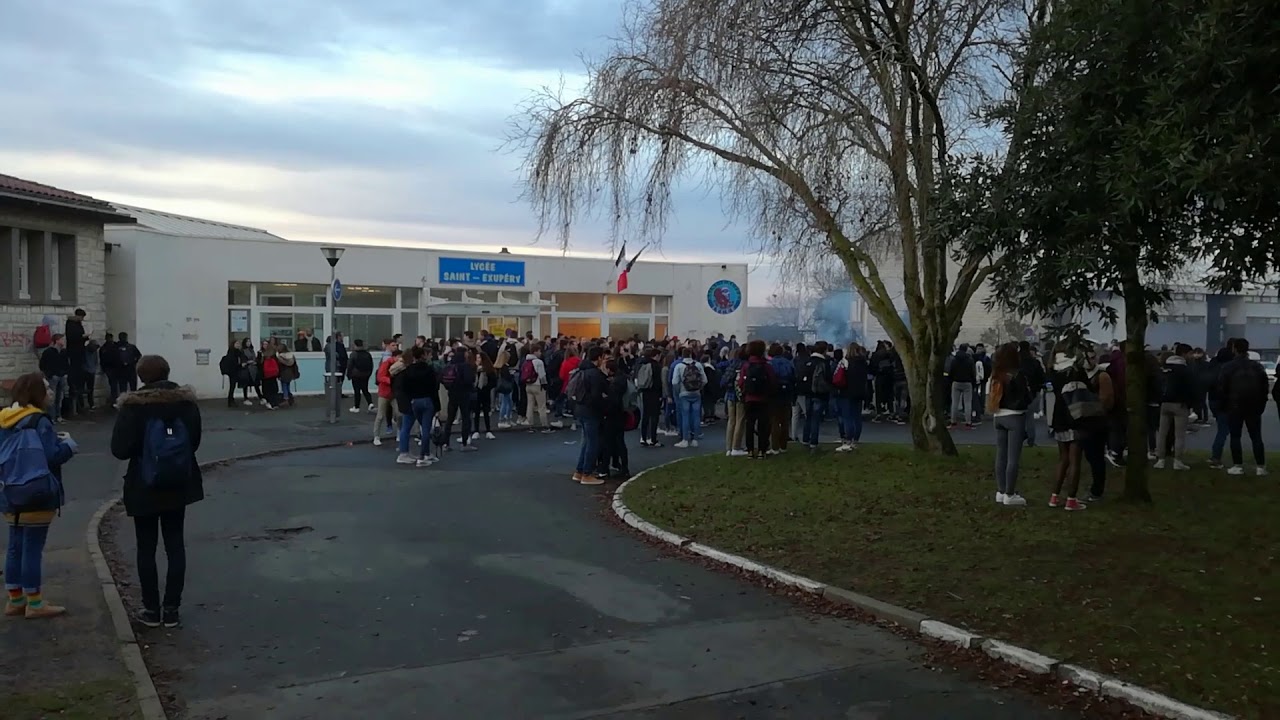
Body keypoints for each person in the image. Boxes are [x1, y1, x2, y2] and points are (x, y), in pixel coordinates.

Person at [109, 355, 203, 629]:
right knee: (175, 545)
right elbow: (194, 443)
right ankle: (172, 609)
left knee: (146, 547)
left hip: (144, 484)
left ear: (141, 377)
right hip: (179, 482)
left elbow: (119, 450)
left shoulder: (134, 407)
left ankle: (151, 610)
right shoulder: (186, 404)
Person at [2, 372, 78, 619]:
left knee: (14, 547)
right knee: (33, 549)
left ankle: (15, 600)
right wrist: (69, 446)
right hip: (37, 492)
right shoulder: (40, 421)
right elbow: (52, 456)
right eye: (47, 388)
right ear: (37, 393)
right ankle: (35, 604)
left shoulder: (5, 419)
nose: (51, 392)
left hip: (9, 492)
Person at [989, 344, 1032, 506]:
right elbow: (1026, 397)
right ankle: (1010, 493)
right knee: (1013, 458)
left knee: (1001, 455)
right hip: (1014, 416)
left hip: (998, 415)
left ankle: (1001, 491)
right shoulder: (1017, 375)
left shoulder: (996, 374)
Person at [1217, 337, 1269, 475]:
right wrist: (1261, 404)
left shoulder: (1228, 367)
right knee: (1256, 437)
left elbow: (1222, 388)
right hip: (1254, 406)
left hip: (1234, 405)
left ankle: (1237, 465)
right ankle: (1260, 466)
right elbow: (1264, 388)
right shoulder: (1257, 366)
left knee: (1235, 436)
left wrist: (1224, 405)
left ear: (1234, 348)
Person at [394, 346, 439, 467]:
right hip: (427, 400)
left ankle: (405, 453)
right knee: (425, 428)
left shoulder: (407, 371)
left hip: (413, 400)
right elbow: (434, 388)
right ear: (423, 356)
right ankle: (424, 454)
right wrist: (437, 406)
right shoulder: (429, 370)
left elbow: (404, 387)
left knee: (406, 426)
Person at [1154, 343, 1195, 470]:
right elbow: (1190, 388)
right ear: (1184, 354)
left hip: (1164, 403)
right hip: (1180, 404)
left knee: (1162, 433)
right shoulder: (1185, 370)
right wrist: (1191, 405)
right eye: (1190, 353)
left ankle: (1160, 460)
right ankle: (1177, 461)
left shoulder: (1164, 368)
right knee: (1179, 435)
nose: (1191, 356)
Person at [572, 346, 609, 485]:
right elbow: (597, 396)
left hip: (580, 409)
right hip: (591, 412)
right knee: (592, 443)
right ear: (599, 358)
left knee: (586, 442)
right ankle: (587, 474)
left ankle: (579, 471)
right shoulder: (595, 374)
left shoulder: (581, 370)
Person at [738, 340, 776, 458]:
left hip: (749, 398)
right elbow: (773, 381)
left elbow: (741, 382)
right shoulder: (767, 366)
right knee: (763, 425)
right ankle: (762, 450)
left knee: (749, 424)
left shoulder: (746, 366)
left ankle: (750, 450)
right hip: (764, 399)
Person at [442, 349, 477, 451]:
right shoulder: (465, 366)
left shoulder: (449, 366)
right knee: (466, 418)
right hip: (464, 394)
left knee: (450, 419)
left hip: (452, 393)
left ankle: (446, 443)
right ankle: (465, 443)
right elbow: (469, 379)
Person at [670, 348, 707, 448]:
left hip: (684, 393)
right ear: (691, 354)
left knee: (685, 416)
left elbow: (674, 382)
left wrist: (678, 392)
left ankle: (685, 439)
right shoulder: (698, 365)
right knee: (696, 416)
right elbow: (704, 380)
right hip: (696, 393)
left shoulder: (679, 366)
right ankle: (695, 439)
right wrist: (699, 387)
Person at [800, 341, 832, 451]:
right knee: (816, 419)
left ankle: (805, 439)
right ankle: (813, 442)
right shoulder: (824, 363)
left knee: (808, 417)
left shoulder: (808, 362)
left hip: (808, 393)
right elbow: (828, 378)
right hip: (819, 393)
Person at [835, 343, 868, 452]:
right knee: (857, 417)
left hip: (847, 391)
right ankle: (856, 440)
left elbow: (838, 377)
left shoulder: (845, 362)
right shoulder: (863, 362)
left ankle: (848, 440)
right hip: (860, 392)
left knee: (847, 417)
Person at [38, 333, 70, 423]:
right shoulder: (48, 352)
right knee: (52, 397)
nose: (63, 341)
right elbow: (43, 365)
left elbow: (66, 363)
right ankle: (51, 416)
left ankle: (58, 415)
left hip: (62, 376)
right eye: (62, 339)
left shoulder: (64, 352)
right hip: (53, 377)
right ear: (57, 341)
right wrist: (50, 374)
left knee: (60, 397)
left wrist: (65, 373)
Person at [523, 343, 551, 431]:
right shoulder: (539, 362)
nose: (540, 353)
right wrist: (545, 385)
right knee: (541, 406)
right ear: (535, 352)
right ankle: (544, 425)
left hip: (528, 385)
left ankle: (530, 425)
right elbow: (542, 375)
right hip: (538, 385)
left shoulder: (526, 361)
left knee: (530, 405)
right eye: (539, 351)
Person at [347, 339, 375, 413]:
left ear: (355, 345)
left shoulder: (353, 354)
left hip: (356, 375)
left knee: (357, 391)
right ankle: (370, 403)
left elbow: (350, 365)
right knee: (365, 389)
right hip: (366, 374)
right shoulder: (367, 354)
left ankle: (356, 407)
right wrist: (369, 374)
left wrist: (348, 375)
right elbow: (371, 365)